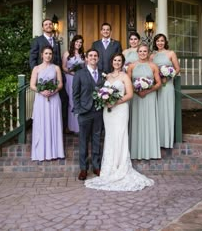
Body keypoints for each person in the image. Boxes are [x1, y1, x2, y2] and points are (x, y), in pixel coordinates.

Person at [85, 53, 154, 191]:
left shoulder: (124, 76)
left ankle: (121, 166)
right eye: (115, 60)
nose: (117, 62)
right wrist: (105, 100)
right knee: (110, 136)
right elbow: (101, 92)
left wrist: (115, 102)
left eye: (119, 60)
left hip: (121, 110)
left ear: (122, 63)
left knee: (120, 135)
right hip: (108, 112)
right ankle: (110, 166)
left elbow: (129, 94)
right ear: (112, 62)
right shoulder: (107, 76)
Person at [29, 18, 69, 133]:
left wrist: (60, 74)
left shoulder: (56, 41)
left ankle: (61, 127)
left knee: (63, 100)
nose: (48, 26)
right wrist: (37, 74)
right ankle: (46, 129)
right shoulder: (37, 40)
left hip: (56, 75)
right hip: (43, 76)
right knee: (46, 104)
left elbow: (57, 59)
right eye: (46, 24)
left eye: (50, 24)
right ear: (43, 27)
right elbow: (32, 58)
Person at [73, 49, 105, 181]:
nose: (93, 57)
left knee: (97, 139)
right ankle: (83, 169)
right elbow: (75, 94)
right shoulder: (79, 73)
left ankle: (96, 166)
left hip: (98, 111)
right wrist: (78, 109)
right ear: (86, 58)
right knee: (83, 141)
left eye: (95, 56)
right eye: (90, 55)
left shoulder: (103, 74)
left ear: (98, 58)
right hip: (84, 112)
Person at [30, 45, 65, 161]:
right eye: (46, 53)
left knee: (53, 122)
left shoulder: (56, 68)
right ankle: (41, 152)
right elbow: (32, 85)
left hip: (54, 99)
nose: (48, 56)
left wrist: (53, 90)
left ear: (52, 55)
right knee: (42, 123)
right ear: (42, 55)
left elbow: (60, 84)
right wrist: (41, 91)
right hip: (41, 100)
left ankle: (55, 152)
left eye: (50, 54)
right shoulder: (36, 68)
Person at [128, 44, 161, 160]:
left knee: (149, 121)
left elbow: (158, 83)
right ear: (137, 53)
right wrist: (137, 92)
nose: (142, 53)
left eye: (145, 51)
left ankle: (151, 151)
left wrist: (147, 91)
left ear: (148, 52)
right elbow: (128, 83)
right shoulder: (131, 66)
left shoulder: (153, 66)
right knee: (137, 121)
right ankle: (135, 151)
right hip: (136, 98)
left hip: (150, 97)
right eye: (140, 51)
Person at [150, 33, 180, 148]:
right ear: (155, 43)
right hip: (156, 87)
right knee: (156, 112)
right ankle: (157, 140)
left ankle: (167, 140)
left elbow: (177, 69)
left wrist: (167, 77)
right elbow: (151, 70)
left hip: (167, 87)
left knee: (167, 111)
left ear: (165, 42)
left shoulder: (171, 53)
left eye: (162, 41)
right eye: (158, 41)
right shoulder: (152, 56)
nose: (160, 43)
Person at [62, 35, 85, 133]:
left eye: (80, 42)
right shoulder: (67, 53)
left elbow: (85, 68)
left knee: (79, 100)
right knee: (71, 101)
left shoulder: (83, 54)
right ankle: (71, 126)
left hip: (80, 80)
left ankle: (79, 126)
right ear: (73, 42)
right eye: (77, 42)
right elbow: (63, 67)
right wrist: (72, 73)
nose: (78, 44)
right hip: (70, 79)